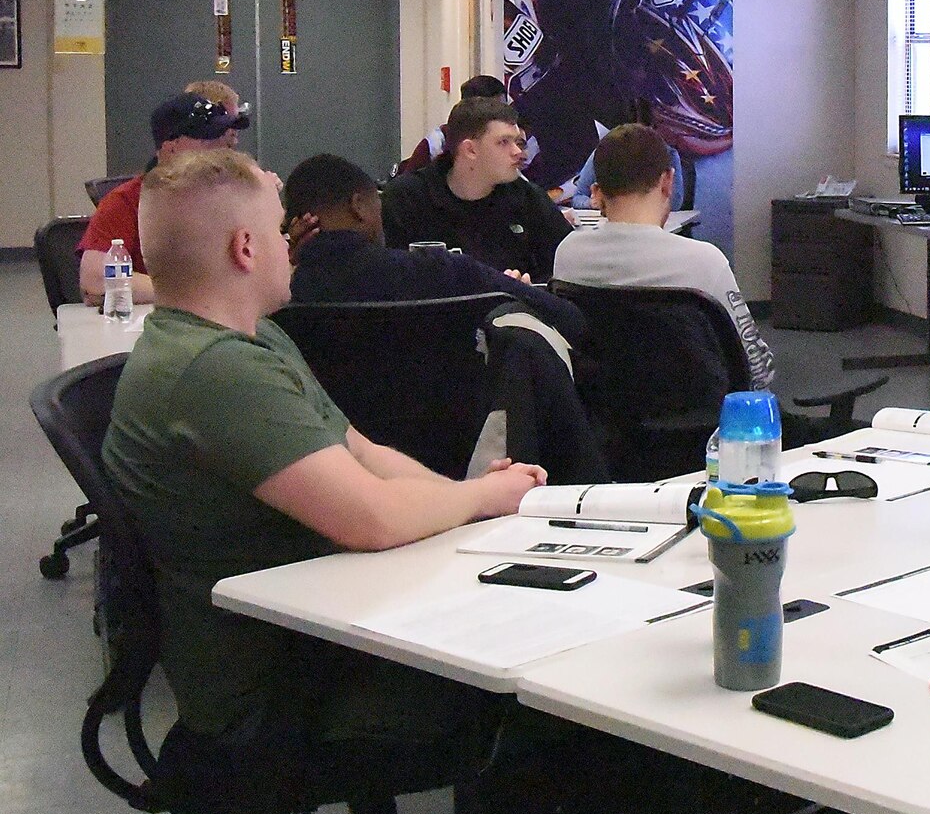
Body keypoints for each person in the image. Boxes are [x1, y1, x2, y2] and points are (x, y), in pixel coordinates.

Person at [100, 149, 546, 758]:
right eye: (280, 228)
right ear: (246, 249)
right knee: (546, 687)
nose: (293, 244)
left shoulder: (252, 337)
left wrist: (465, 500)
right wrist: (486, 496)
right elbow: (375, 519)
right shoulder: (216, 371)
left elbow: (367, 455)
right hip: (287, 680)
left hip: (318, 626)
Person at [284, 153, 587, 347]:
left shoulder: (274, 302)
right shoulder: (440, 271)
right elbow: (569, 319)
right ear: (358, 206)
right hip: (453, 438)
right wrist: (515, 303)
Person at [552, 124, 774, 387]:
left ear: (597, 192)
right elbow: (757, 371)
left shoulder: (568, 253)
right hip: (703, 417)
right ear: (667, 181)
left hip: (604, 419)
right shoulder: (704, 262)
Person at [79, 86, 249, 306]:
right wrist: (197, 293)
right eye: (207, 140)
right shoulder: (126, 202)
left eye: (221, 137)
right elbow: (95, 278)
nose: (222, 147)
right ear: (171, 149)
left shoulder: (231, 196)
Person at [379, 96, 572, 282]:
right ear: (470, 150)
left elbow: (565, 268)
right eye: (503, 142)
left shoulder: (528, 197)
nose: (518, 153)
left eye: (518, 142)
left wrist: (528, 288)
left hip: (512, 308)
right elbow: (389, 277)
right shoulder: (407, 198)